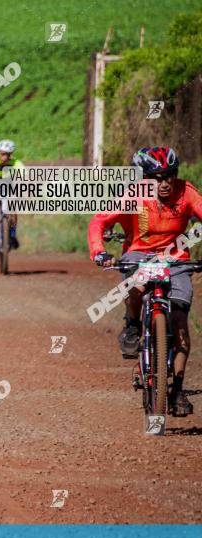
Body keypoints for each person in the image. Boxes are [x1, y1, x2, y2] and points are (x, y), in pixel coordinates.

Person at [88, 147, 201, 417]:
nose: (164, 183)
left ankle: (178, 390)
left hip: (176, 257)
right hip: (139, 253)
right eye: (156, 177)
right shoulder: (133, 195)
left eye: (169, 176)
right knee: (136, 286)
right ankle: (133, 323)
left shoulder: (186, 192)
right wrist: (100, 252)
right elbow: (99, 222)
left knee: (181, 324)